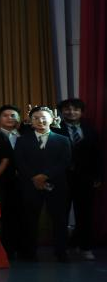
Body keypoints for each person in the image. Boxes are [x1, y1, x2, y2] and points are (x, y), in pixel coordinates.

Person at [12, 106, 72, 262]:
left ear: (52, 119)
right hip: (30, 185)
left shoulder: (63, 140)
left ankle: (61, 252)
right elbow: (19, 162)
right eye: (36, 118)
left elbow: (65, 162)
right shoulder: (22, 140)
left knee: (59, 219)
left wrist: (45, 176)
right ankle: (29, 252)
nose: (40, 121)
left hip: (56, 185)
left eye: (44, 117)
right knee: (29, 219)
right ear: (30, 121)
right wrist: (34, 177)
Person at [55, 98, 101, 259]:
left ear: (81, 112)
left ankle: (85, 247)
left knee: (85, 215)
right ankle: (62, 248)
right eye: (67, 109)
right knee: (61, 214)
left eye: (75, 109)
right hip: (62, 178)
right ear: (62, 112)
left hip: (85, 179)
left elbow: (98, 154)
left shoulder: (90, 130)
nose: (71, 112)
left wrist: (98, 175)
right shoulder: (54, 129)